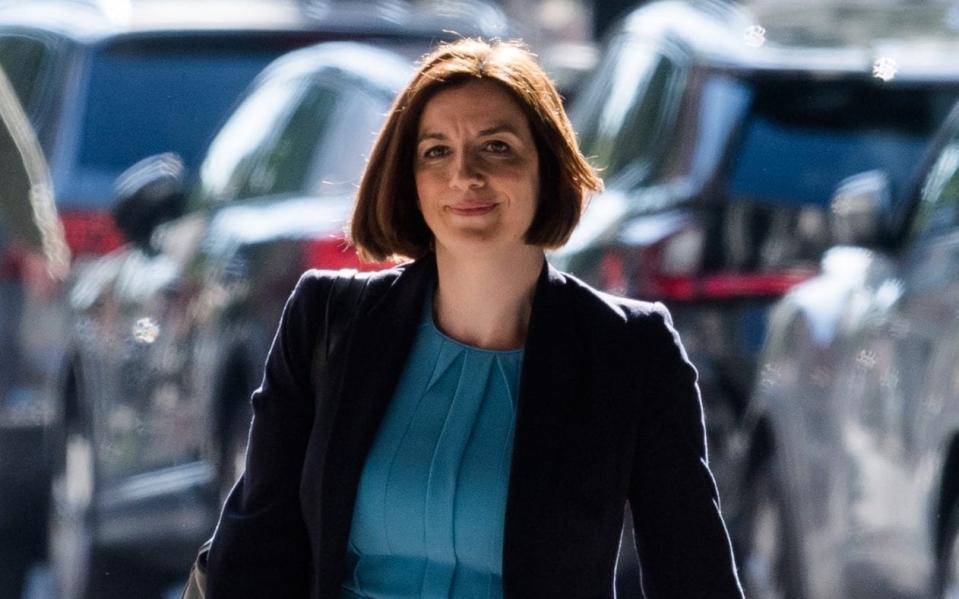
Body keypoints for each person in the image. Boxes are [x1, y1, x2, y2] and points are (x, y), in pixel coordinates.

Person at [204, 38, 744, 598]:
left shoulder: (629, 350)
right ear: (408, 179)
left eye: (497, 147)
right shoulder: (326, 321)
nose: (465, 174)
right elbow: (255, 546)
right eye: (436, 151)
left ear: (548, 169)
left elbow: (692, 571)